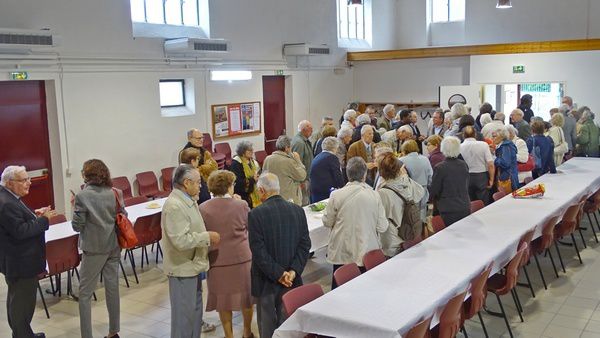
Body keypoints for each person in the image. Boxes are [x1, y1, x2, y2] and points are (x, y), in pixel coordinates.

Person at [161, 165, 221, 338]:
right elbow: (180, 240)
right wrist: (206, 237)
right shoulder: (174, 206)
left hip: (192, 267)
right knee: (184, 318)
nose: (201, 186)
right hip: (182, 269)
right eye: (198, 182)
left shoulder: (187, 200)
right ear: (186, 183)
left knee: (194, 315)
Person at [248, 173, 311, 338]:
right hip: (292, 279)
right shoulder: (297, 210)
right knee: (289, 326)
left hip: (266, 281)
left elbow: (258, 252)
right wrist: (292, 271)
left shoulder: (256, 214)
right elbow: (305, 246)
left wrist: (279, 274)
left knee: (267, 327)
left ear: (262, 190)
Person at [0, 165, 56, 338]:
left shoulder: (9, 197)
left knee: (18, 303)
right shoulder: (6, 202)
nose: (29, 183)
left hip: (18, 261)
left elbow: (16, 222)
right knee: (22, 307)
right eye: (23, 180)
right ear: (9, 183)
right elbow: (20, 231)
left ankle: (24, 334)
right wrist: (43, 220)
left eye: (28, 178)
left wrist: (34, 215)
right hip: (21, 262)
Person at [71, 160, 124, 338]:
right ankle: (113, 331)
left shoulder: (82, 196)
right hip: (113, 245)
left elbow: (77, 226)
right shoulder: (115, 192)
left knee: (85, 294)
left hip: (94, 249)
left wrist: (74, 208)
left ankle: (87, 335)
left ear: (86, 175)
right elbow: (123, 215)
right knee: (112, 289)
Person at [199, 170, 254, 338]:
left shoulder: (203, 208)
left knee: (223, 302)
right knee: (247, 298)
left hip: (217, 259)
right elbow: (250, 225)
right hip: (241, 258)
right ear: (229, 186)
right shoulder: (241, 205)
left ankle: (228, 335)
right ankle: (246, 331)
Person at [323, 157, 388, 288]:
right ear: (364, 175)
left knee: (339, 292)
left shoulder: (336, 195)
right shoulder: (374, 195)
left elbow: (326, 221)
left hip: (342, 251)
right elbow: (382, 226)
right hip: (365, 251)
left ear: (347, 174)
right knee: (364, 290)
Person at [376, 153, 425, 256]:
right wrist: (405, 176)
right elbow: (421, 192)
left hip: (393, 237)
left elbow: (379, 216)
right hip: (410, 230)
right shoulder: (406, 183)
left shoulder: (383, 192)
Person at [429, 136, 470, 226]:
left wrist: (429, 199)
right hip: (464, 204)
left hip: (448, 208)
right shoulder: (463, 164)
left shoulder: (440, 167)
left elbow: (435, 189)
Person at [262, 135, 307, 206]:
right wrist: (298, 160)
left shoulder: (267, 159)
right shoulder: (288, 161)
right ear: (286, 148)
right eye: (290, 147)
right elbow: (302, 176)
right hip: (288, 199)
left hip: (272, 197)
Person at [179, 129, 218, 203]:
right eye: (198, 138)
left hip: (207, 183)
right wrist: (205, 168)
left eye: (202, 137)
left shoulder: (204, 151)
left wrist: (202, 169)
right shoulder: (185, 153)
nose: (201, 140)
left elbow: (214, 166)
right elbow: (190, 171)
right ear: (190, 139)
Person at [460, 126, 495, 205]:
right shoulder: (483, 145)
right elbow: (490, 164)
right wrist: (491, 179)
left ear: (463, 135)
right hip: (481, 176)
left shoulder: (459, 147)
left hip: (466, 177)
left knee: (469, 203)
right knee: (483, 202)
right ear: (475, 134)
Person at [399, 140, 433, 220]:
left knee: (411, 219)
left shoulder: (401, 160)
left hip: (410, 192)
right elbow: (431, 176)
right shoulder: (425, 159)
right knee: (422, 218)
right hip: (423, 191)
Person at [310, 137, 345, 203]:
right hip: (326, 193)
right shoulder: (332, 157)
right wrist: (344, 189)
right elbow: (338, 176)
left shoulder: (317, 157)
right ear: (335, 148)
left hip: (315, 192)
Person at [231, 141, 262, 208]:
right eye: (249, 150)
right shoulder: (236, 164)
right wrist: (253, 179)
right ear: (242, 152)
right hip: (243, 196)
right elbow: (238, 183)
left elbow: (259, 171)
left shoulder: (253, 161)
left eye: (252, 150)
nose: (252, 152)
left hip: (255, 192)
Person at [291, 120, 314, 206]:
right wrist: (301, 180)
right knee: (304, 202)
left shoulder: (304, 140)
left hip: (306, 177)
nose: (312, 131)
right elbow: (296, 162)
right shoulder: (299, 143)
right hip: (303, 179)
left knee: (306, 200)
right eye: (310, 129)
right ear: (304, 130)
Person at [493, 126, 519, 192]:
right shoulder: (506, 145)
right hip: (510, 176)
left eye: (494, 136)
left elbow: (505, 163)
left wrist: (495, 159)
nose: (492, 138)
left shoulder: (505, 146)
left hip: (508, 178)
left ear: (501, 137)